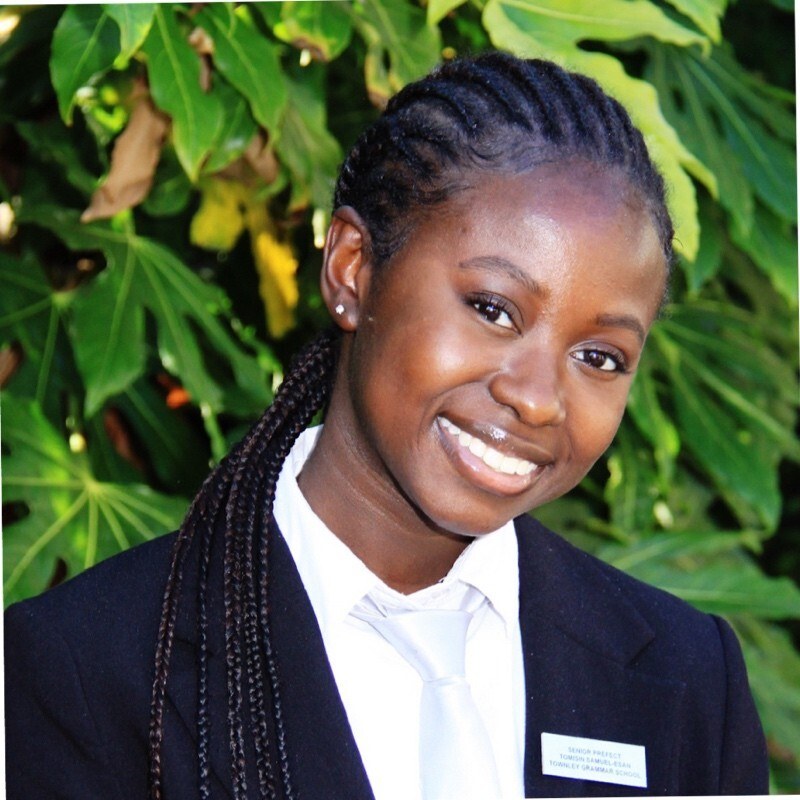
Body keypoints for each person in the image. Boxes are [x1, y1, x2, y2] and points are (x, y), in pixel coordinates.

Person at [4, 52, 767, 800]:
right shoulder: (83, 669)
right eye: (493, 309)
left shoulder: (688, 679)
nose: (539, 399)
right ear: (353, 269)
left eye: (600, 356)